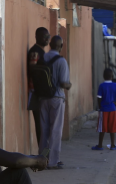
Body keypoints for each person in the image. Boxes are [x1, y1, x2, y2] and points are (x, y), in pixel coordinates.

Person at [38, 35, 72, 169]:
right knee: (55, 130)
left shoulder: (43, 57)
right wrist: (69, 85)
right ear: (60, 46)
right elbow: (63, 83)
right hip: (57, 98)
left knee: (44, 131)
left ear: (50, 44)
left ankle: (42, 159)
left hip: (43, 98)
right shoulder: (61, 61)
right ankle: (52, 161)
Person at [27, 27, 50, 149]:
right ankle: (43, 154)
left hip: (41, 92)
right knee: (40, 124)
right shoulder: (35, 52)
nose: (46, 39)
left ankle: (45, 153)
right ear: (36, 37)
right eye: (44, 36)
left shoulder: (41, 52)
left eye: (48, 37)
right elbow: (33, 69)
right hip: (36, 92)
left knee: (44, 124)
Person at [92, 68, 116, 151]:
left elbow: (99, 98)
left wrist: (100, 107)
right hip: (112, 109)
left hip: (104, 109)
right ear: (112, 76)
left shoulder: (101, 86)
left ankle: (100, 145)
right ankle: (113, 145)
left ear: (103, 76)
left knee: (102, 128)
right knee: (112, 127)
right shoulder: (115, 85)